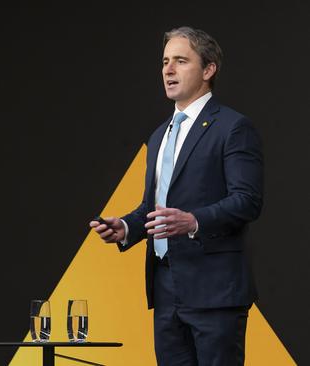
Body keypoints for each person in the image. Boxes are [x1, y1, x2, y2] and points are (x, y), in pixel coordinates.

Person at [90, 26, 263, 365]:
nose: (168, 70)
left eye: (181, 61)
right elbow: (153, 207)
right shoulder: (159, 135)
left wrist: (194, 220)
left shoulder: (233, 127)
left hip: (214, 292)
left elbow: (247, 200)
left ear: (208, 69)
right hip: (166, 288)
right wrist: (126, 227)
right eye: (165, 61)